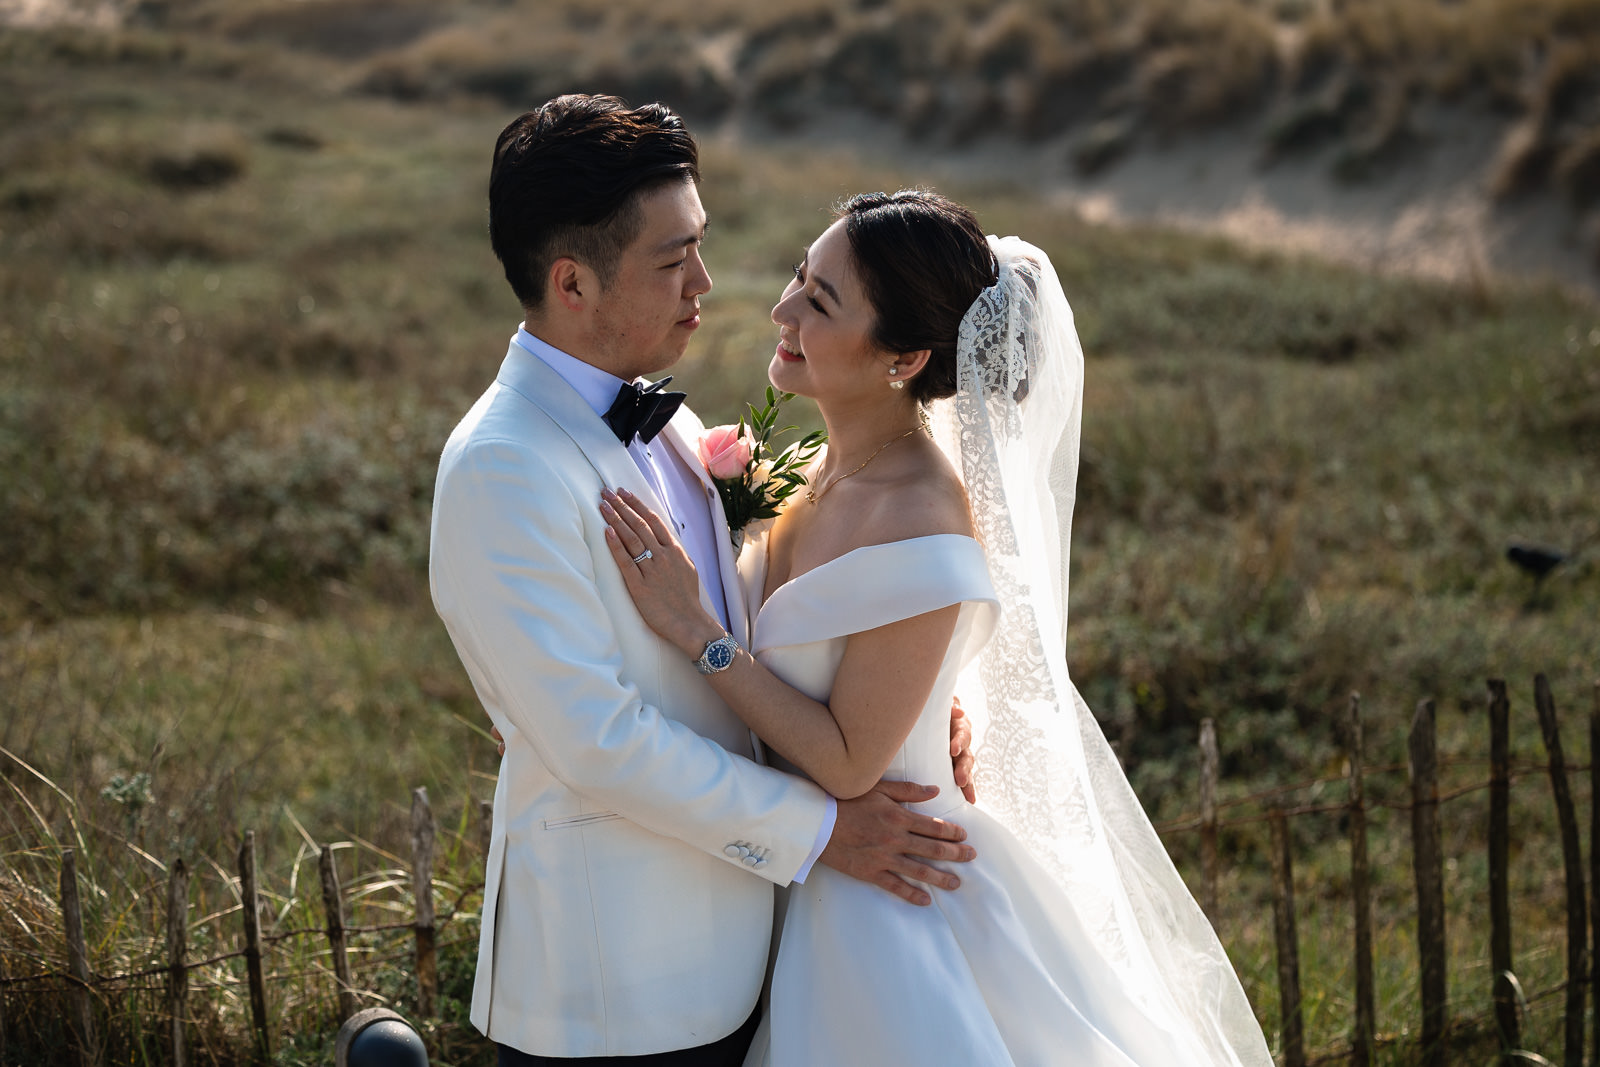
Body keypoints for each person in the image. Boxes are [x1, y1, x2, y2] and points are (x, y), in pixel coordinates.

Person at [597, 190, 1276, 1065]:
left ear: (905, 357)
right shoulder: (818, 469)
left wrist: (700, 632)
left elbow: (848, 761)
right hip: (801, 881)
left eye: (821, 301)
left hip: (888, 907)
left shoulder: (919, 516)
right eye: (801, 277)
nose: (782, 309)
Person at [428, 96, 980, 1066]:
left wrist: (915, 704)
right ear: (572, 283)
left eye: (702, 245)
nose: (708, 283)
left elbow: (784, 619)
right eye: (671, 259)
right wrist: (820, 829)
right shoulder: (500, 467)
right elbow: (597, 740)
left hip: (754, 955)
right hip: (620, 985)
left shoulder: (670, 423)